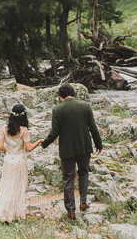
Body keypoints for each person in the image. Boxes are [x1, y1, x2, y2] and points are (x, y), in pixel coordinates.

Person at [41, 84, 102, 220]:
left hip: (67, 149)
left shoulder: (57, 110)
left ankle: (71, 210)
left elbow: (54, 132)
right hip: (84, 147)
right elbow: (93, 128)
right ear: (73, 93)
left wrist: (44, 144)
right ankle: (84, 202)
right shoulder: (85, 106)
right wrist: (99, 144)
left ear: (60, 96)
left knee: (68, 178)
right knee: (84, 173)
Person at [0, 104, 43, 223]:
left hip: (8, 160)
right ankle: (13, 214)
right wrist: (39, 141)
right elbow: (29, 148)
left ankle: (3, 212)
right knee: (18, 187)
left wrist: (9, 151)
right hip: (20, 161)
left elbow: (0, 147)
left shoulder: (4, 128)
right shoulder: (24, 130)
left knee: (7, 185)